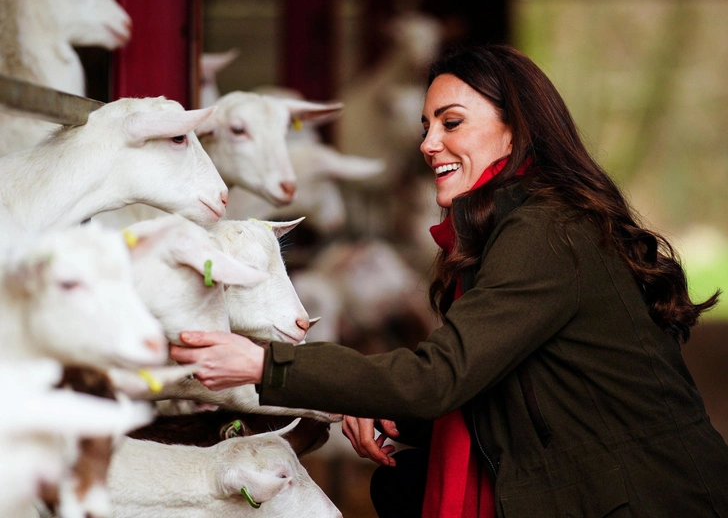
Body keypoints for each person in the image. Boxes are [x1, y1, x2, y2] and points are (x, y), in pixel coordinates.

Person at [170, 44, 728, 517]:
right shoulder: (520, 224)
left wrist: (263, 364)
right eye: (426, 126)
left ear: (516, 134)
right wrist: (396, 413)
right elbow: (499, 382)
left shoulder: (546, 230)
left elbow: (442, 376)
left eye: (452, 122)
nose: (428, 142)